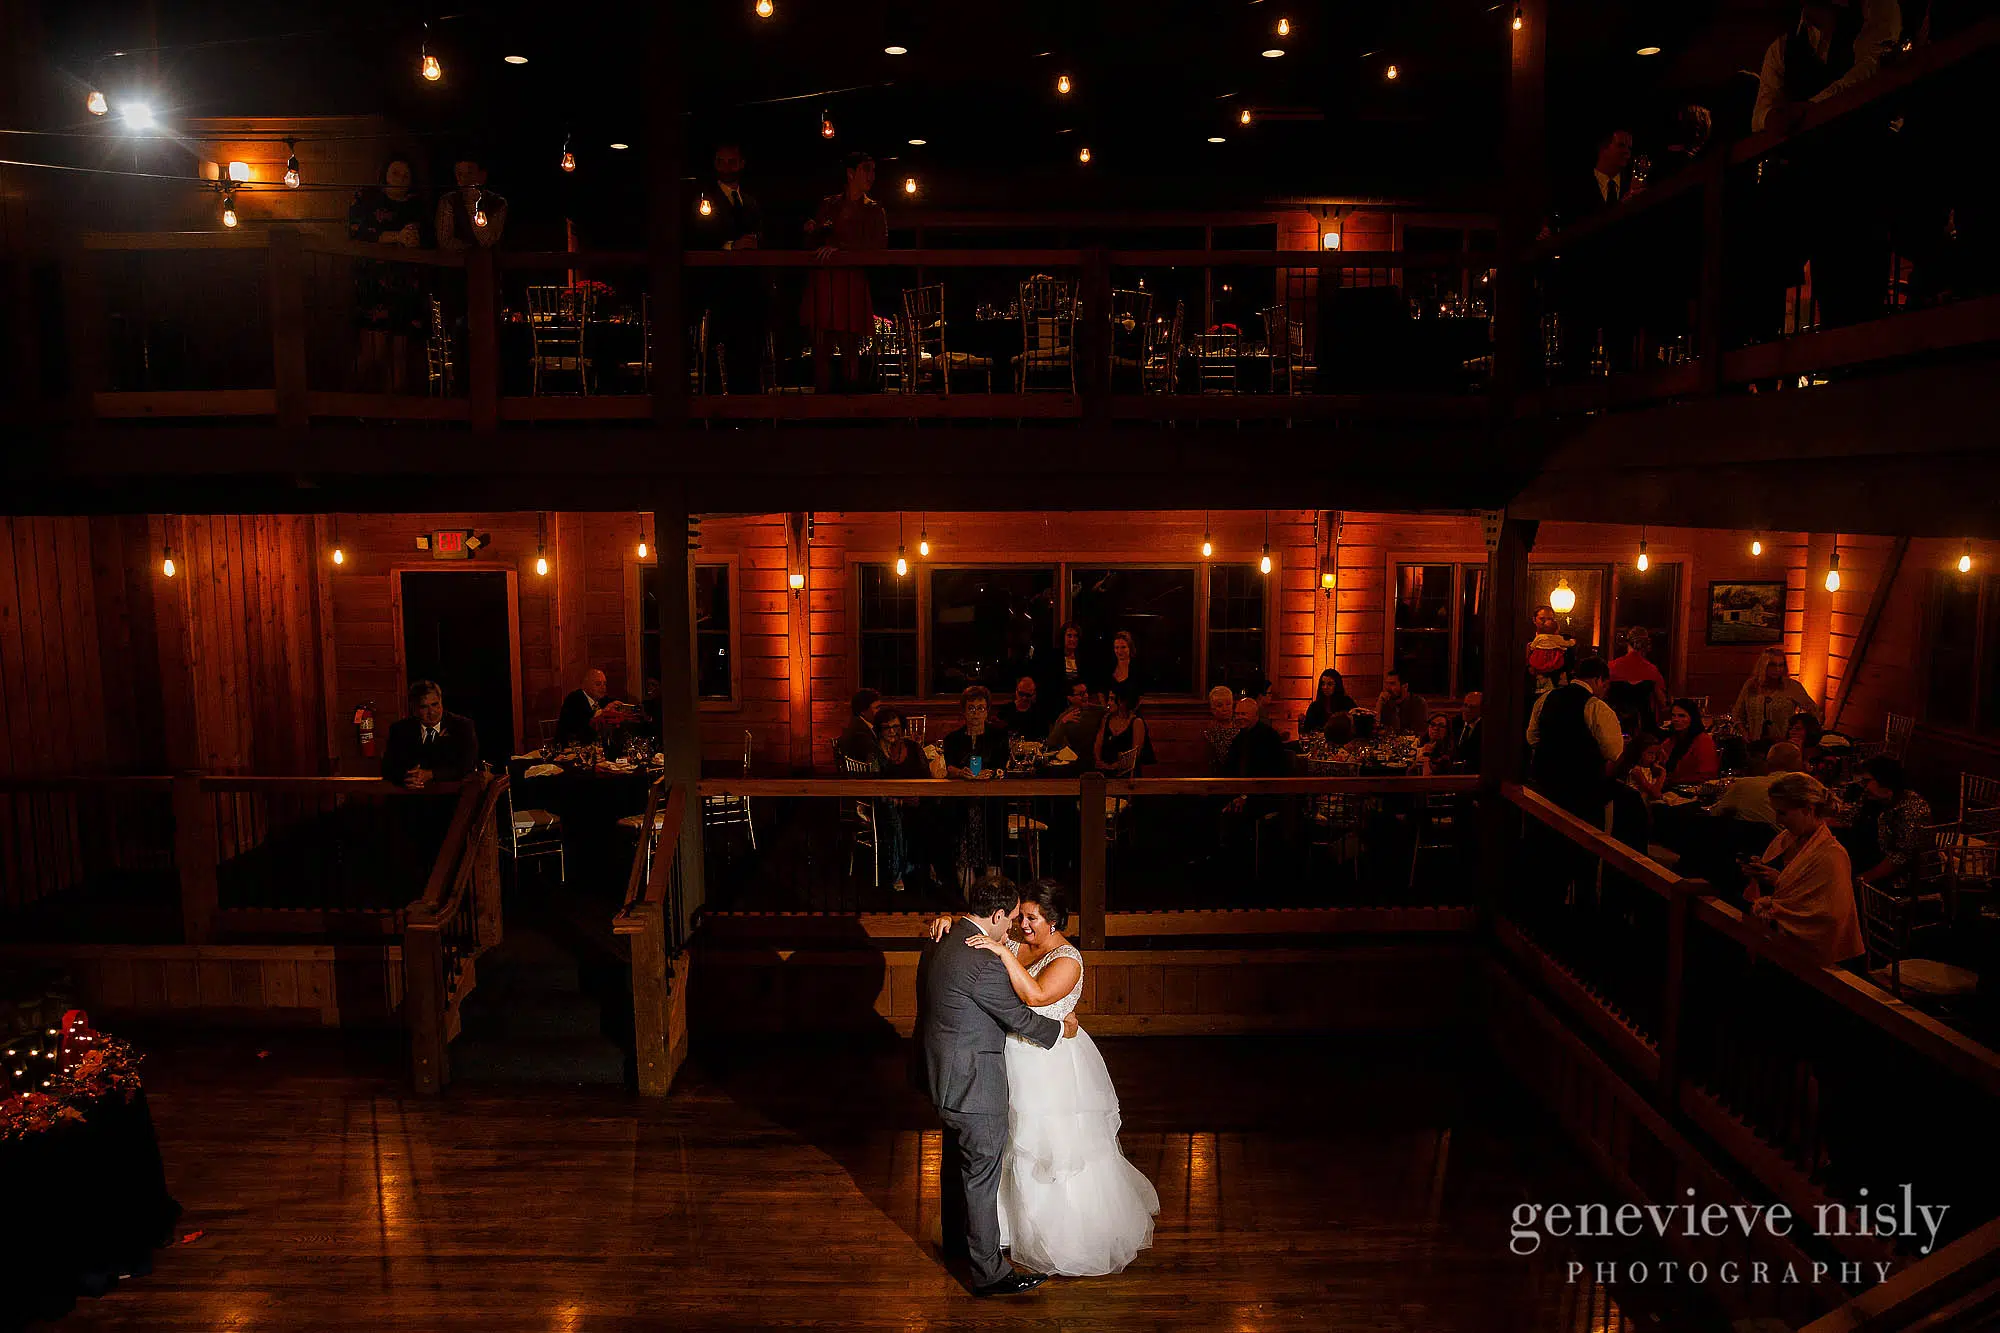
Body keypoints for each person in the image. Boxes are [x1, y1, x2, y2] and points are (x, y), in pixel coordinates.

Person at [923, 880, 1160, 1277]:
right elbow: (982, 933)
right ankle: (1003, 1233)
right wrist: (951, 920)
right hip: (1010, 1058)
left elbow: (1034, 997)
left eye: (1031, 918)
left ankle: (1063, 1235)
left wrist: (1001, 950)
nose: (1022, 925)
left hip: (1051, 1062)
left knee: (1052, 1150)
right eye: (1021, 917)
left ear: (1053, 921)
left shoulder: (1068, 959)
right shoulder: (1015, 940)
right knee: (1004, 1145)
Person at [913, 875, 1077, 1296]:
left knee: (958, 1165)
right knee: (981, 1175)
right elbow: (1020, 1017)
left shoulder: (938, 939)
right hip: (973, 1083)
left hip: (941, 1075)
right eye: (1012, 920)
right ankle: (988, 1274)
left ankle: (957, 1246)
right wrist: (1062, 1031)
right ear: (999, 914)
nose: (1013, 930)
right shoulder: (982, 959)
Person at [1743, 773, 1865, 965]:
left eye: (1782, 813)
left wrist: (1779, 885)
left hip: (1816, 960)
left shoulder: (1832, 856)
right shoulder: (1787, 839)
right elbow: (1789, 884)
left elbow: (1828, 918)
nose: (1777, 819)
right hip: (1779, 944)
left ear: (1808, 809)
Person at [802, 152, 887, 395]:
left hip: (850, 282)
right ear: (851, 174)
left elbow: (879, 247)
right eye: (866, 169)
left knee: (850, 347)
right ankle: (822, 407)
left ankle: (850, 409)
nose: (871, 175)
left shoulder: (874, 209)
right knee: (821, 348)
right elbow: (815, 244)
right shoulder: (830, 204)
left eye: (873, 170)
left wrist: (842, 250)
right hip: (825, 282)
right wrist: (811, 232)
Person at [347, 154, 429, 393]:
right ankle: (353, 403)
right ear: (384, 174)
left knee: (400, 356)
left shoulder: (416, 205)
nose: (400, 179)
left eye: (406, 175)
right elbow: (358, 233)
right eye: (395, 173)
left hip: (406, 286)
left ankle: (394, 413)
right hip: (374, 285)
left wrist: (414, 241)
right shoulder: (367, 198)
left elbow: (426, 237)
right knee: (374, 352)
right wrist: (395, 237)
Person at [693, 141, 768, 396]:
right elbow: (696, 238)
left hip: (749, 288)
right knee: (718, 349)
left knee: (749, 350)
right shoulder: (704, 201)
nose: (727, 167)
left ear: (742, 164)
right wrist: (730, 246)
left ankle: (748, 406)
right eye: (722, 162)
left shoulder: (751, 202)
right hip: (718, 288)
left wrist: (755, 244)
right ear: (715, 165)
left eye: (732, 161)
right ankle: (718, 410)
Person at [1527, 656, 1623, 822]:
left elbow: (1532, 738)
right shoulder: (1596, 707)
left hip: (1546, 783)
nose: (1605, 690)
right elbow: (1614, 752)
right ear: (1598, 679)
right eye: (1605, 685)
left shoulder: (1546, 698)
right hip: (1583, 789)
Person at [872, 708, 931, 892]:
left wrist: (917, 796)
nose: (892, 731)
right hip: (888, 803)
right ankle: (897, 874)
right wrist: (897, 799)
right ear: (879, 730)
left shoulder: (913, 747)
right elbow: (874, 786)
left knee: (932, 815)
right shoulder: (875, 753)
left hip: (915, 799)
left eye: (896, 727)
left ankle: (927, 868)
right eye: (886, 727)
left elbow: (926, 775)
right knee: (895, 817)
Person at [1856, 756, 1933, 895]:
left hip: (1903, 881)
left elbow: (1901, 858)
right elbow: (1851, 818)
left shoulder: (1913, 808)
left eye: (1867, 781)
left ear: (1885, 781)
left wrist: (1862, 878)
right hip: (1874, 863)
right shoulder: (1874, 798)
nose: (1864, 786)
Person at [382, 679, 480, 787]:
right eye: (424, 707)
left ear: (441, 701)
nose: (432, 712)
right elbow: (388, 769)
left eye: (435, 704)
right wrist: (407, 777)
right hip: (409, 796)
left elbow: (467, 767)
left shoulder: (462, 726)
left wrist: (432, 774)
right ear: (413, 708)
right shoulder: (400, 730)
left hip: (450, 796)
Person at [1733, 649, 1820, 744]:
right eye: (1772, 665)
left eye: (1781, 665)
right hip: (1754, 744)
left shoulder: (1792, 686)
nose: (1778, 669)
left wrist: (1802, 735)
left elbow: (1814, 711)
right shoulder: (1751, 685)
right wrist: (1744, 733)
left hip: (1783, 744)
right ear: (1763, 666)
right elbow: (1737, 714)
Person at [1714, 742, 1807, 828]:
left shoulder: (1743, 785)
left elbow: (1716, 813)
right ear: (1799, 765)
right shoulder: (1807, 789)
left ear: (1768, 763)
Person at [436, 152, 507, 251]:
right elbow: (445, 241)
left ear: (482, 176)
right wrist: (469, 250)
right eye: (460, 174)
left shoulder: (498, 203)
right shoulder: (448, 201)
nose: (464, 179)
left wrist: (474, 206)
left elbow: (488, 242)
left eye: (469, 173)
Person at [945, 686, 1010, 780]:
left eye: (980, 708)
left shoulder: (999, 737)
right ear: (964, 711)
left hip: (993, 789)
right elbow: (949, 768)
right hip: (960, 789)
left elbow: (1003, 767)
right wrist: (960, 773)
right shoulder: (952, 739)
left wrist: (990, 773)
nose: (976, 714)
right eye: (971, 708)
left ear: (987, 711)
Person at [1609, 627, 1668, 725]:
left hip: (1615, 723)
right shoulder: (1652, 670)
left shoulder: (1612, 666)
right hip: (1645, 725)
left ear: (1627, 643)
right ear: (1646, 645)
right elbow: (1662, 702)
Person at [1093, 682, 1150, 779]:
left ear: (1123, 701)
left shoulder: (1136, 722)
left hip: (1127, 774)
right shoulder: (1106, 719)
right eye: (1108, 699)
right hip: (1105, 773)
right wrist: (1099, 762)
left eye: (1112, 699)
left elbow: (1134, 755)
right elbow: (1098, 744)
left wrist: (1115, 766)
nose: (1108, 703)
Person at [1045, 679, 1104, 769]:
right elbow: (1051, 743)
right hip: (1073, 763)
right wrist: (1063, 723)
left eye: (1086, 692)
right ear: (1070, 698)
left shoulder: (1096, 711)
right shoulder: (1064, 716)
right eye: (1081, 694)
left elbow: (1108, 710)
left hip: (1094, 759)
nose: (1086, 696)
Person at [1661, 699, 1720, 784]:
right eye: (1673, 715)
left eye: (1681, 716)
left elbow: (1708, 775)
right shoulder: (1672, 739)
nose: (1675, 719)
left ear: (1692, 718)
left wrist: (1674, 781)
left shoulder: (1703, 741)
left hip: (1693, 790)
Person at [1526, 606, 1575, 695]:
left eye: (1550, 619)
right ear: (1534, 620)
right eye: (1542, 619)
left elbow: (1569, 666)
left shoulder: (1562, 640)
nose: (1546, 623)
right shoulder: (1527, 640)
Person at [553, 668, 609, 746]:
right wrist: (604, 712)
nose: (603, 688)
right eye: (598, 684)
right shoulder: (574, 699)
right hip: (570, 749)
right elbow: (584, 725)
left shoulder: (602, 699)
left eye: (605, 684)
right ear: (585, 685)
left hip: (594, 748)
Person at [1300, 668, 1358, 740]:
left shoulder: (1347, 703)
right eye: (1323, 684)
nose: (1325, 687)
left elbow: (1356, 726)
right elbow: (1307, 730)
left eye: (1329, 684)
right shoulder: (1315, 706)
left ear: (1337, 685)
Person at [1374, 667, 1429, 737]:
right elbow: (1376, 728)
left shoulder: (1419, 703)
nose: (1387, 688)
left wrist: (1389, 733)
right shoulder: (1386, 702)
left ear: (1405, 686)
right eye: (1387, 684)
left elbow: (1418, 732)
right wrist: (1379, 704)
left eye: (1392, 684)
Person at [996, 676, 1050, 743]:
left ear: (1034, 694)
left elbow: (1043, 737)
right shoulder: (1005, 710)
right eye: (1021, 694)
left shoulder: (1039, 712)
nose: (1024, 698)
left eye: (1028, 695)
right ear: (1016, 691)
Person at [836, 688, 882, 766]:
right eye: (876, 708)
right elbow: (875, 756)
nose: (880, 711)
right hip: (864, 775)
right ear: (863, 711)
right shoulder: (860, 731)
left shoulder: (859, 724)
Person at [1202, 685, 1243, 774]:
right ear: (1212, 709)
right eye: (1220, 705)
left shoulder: (1241, 726)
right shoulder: (1210, 732)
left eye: (1228, 704)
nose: (1225, 709)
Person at [1453, 691, 1485, 772]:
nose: (1466, 710)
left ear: (1481, 710)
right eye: (1465, 705)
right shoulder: (1456, 722)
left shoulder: (1485, 730)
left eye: (1472, 707)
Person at [1105, 630, 1140, 695]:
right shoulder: (1109, 668)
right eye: (1116, 647)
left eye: (1123, 647)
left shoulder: (1138, 669)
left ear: (1130, 648)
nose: (1119, 651)